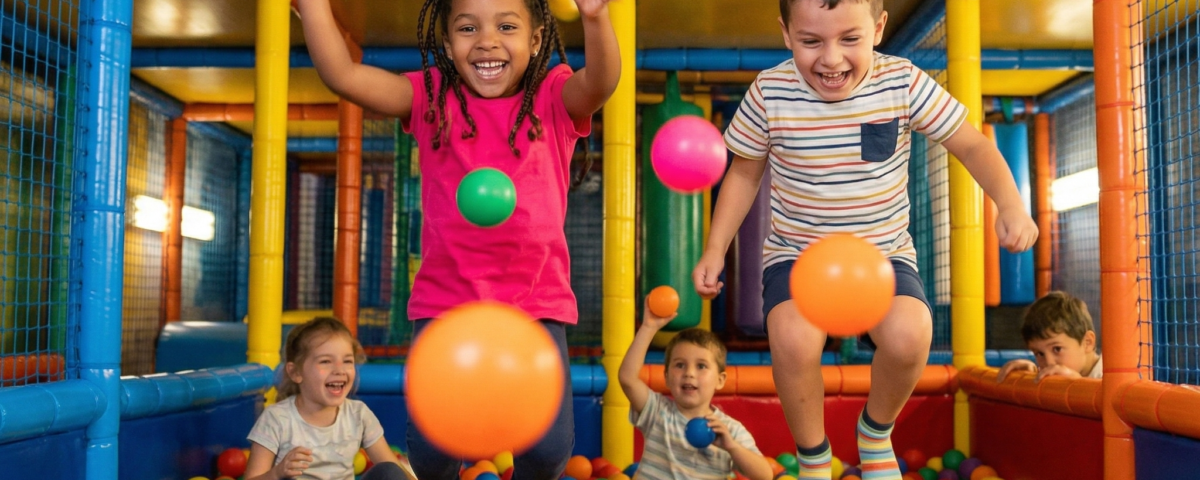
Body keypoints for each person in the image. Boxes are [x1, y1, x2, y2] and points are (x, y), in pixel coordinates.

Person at [691, 0, 1039, 478]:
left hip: (883, 254)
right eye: (811, 41)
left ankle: (875, 431)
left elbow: (973, 144)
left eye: (849, 40)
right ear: (786, 34)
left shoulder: (902, 81)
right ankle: (813, 454)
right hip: (798, 253)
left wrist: (1011, 203)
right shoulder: (770, 91)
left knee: (911, 333)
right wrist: (715, 249)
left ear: (877, 29)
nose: (831, 59)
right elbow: (744, 175)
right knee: (792, 339)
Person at [294, 0, 620, 477]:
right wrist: (314, 8)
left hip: (535, 302)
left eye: (506, 26)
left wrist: (595, 17)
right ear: (448, 43)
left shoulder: (552, 96)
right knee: (433, 451)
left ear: (534, 42)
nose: (487, 40)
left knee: (549, 449)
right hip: (446, 303)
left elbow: (601, 83)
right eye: (468, 28)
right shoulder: (430, 96)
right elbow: (344, 75)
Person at [617, 301, 774, 480]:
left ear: (720, 380)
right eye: (680, 365)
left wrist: (732, 447)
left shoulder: (729, 430)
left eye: (701, 366)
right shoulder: (657, 411)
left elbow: (765, 475)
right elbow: (627, 379)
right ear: (667, 376)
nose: (689, 373)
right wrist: (648, 328)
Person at [246, 318, 407, 480]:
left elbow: (392, 467)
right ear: (296, 372)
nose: (339, 370)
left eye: (347, 361)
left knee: (389, 472)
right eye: (325, 361)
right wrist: (277, 473)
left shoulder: (359, 414)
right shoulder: (276, 419)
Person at [997, 291, 1102, 382]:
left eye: (1057, 349)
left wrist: (1078, 384)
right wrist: (1032, 375)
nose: (1049, 362)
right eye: (1039, 354)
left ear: (1087, 342)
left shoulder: (1112, 380)